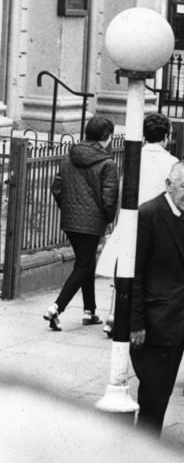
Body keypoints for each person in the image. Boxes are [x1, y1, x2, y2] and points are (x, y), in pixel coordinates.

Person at [129, 160, 184, 435]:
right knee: (153, 395)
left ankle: (147, 450)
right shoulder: (148, 214)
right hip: (152, 324)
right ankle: (144, 453)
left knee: (160, 397)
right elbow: (133, 273)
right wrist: (136, 323)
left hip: (177, 323)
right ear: (169, 185)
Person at [98, 112, 179, 334]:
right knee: (148, 272)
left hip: (130, 218)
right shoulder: (173, 163)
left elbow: (124, 190)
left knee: (124, 267)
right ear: (166, 136)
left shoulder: (134, 158)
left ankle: (114, 314)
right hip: (157, 223)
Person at [45, 115, 119, 331]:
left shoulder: (69, 156)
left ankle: (90, 310)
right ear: (106, 137)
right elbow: (109, 199)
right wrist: (107, 219)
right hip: (92, 222)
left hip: (70, 220)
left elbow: (57, 187)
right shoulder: (107, 163)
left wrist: (68, 209)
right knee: (84, 265)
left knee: (86, 262)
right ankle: (56, 307)